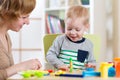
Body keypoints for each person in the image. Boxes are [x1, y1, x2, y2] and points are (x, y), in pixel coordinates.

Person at [0, 0, 42, 80]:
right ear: (6, 13)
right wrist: (20, 67)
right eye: (24, 17)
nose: (28, 22)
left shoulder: (6, 36)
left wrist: (26, 68)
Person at [46, 5, 96, 71]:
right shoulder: (60, 40)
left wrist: (91, 65)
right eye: (69, 29)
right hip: (62, 76)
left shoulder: (88, 44)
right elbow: (49, 55)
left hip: (80, 77)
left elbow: (92, 61)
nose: (72, 32)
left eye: (77, 30)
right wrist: (60, 64)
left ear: (86, 27)